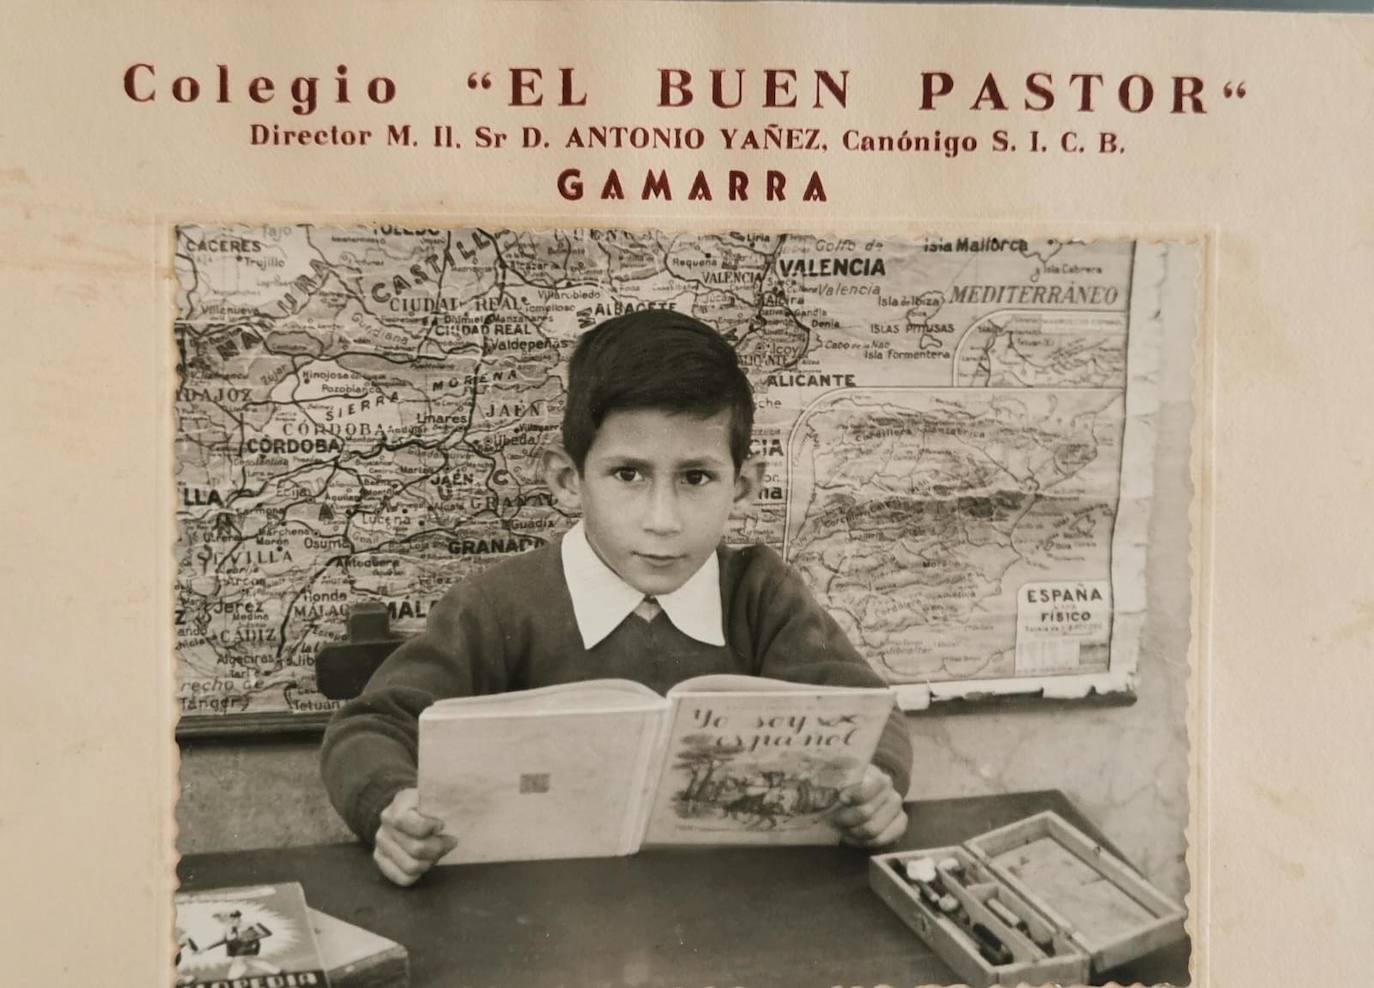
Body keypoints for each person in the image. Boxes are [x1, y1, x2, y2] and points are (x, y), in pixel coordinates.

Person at [321, 310, 914, 886]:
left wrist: (873, 786)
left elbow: (869, 716)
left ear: (744, 486)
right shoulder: (497, 606)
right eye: (629, 475)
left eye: (696, 477)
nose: (662, 520)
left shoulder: (761, 594)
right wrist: (391, 806)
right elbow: (370, 728)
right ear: (566, 478)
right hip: (545, 917)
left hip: (730, 910)